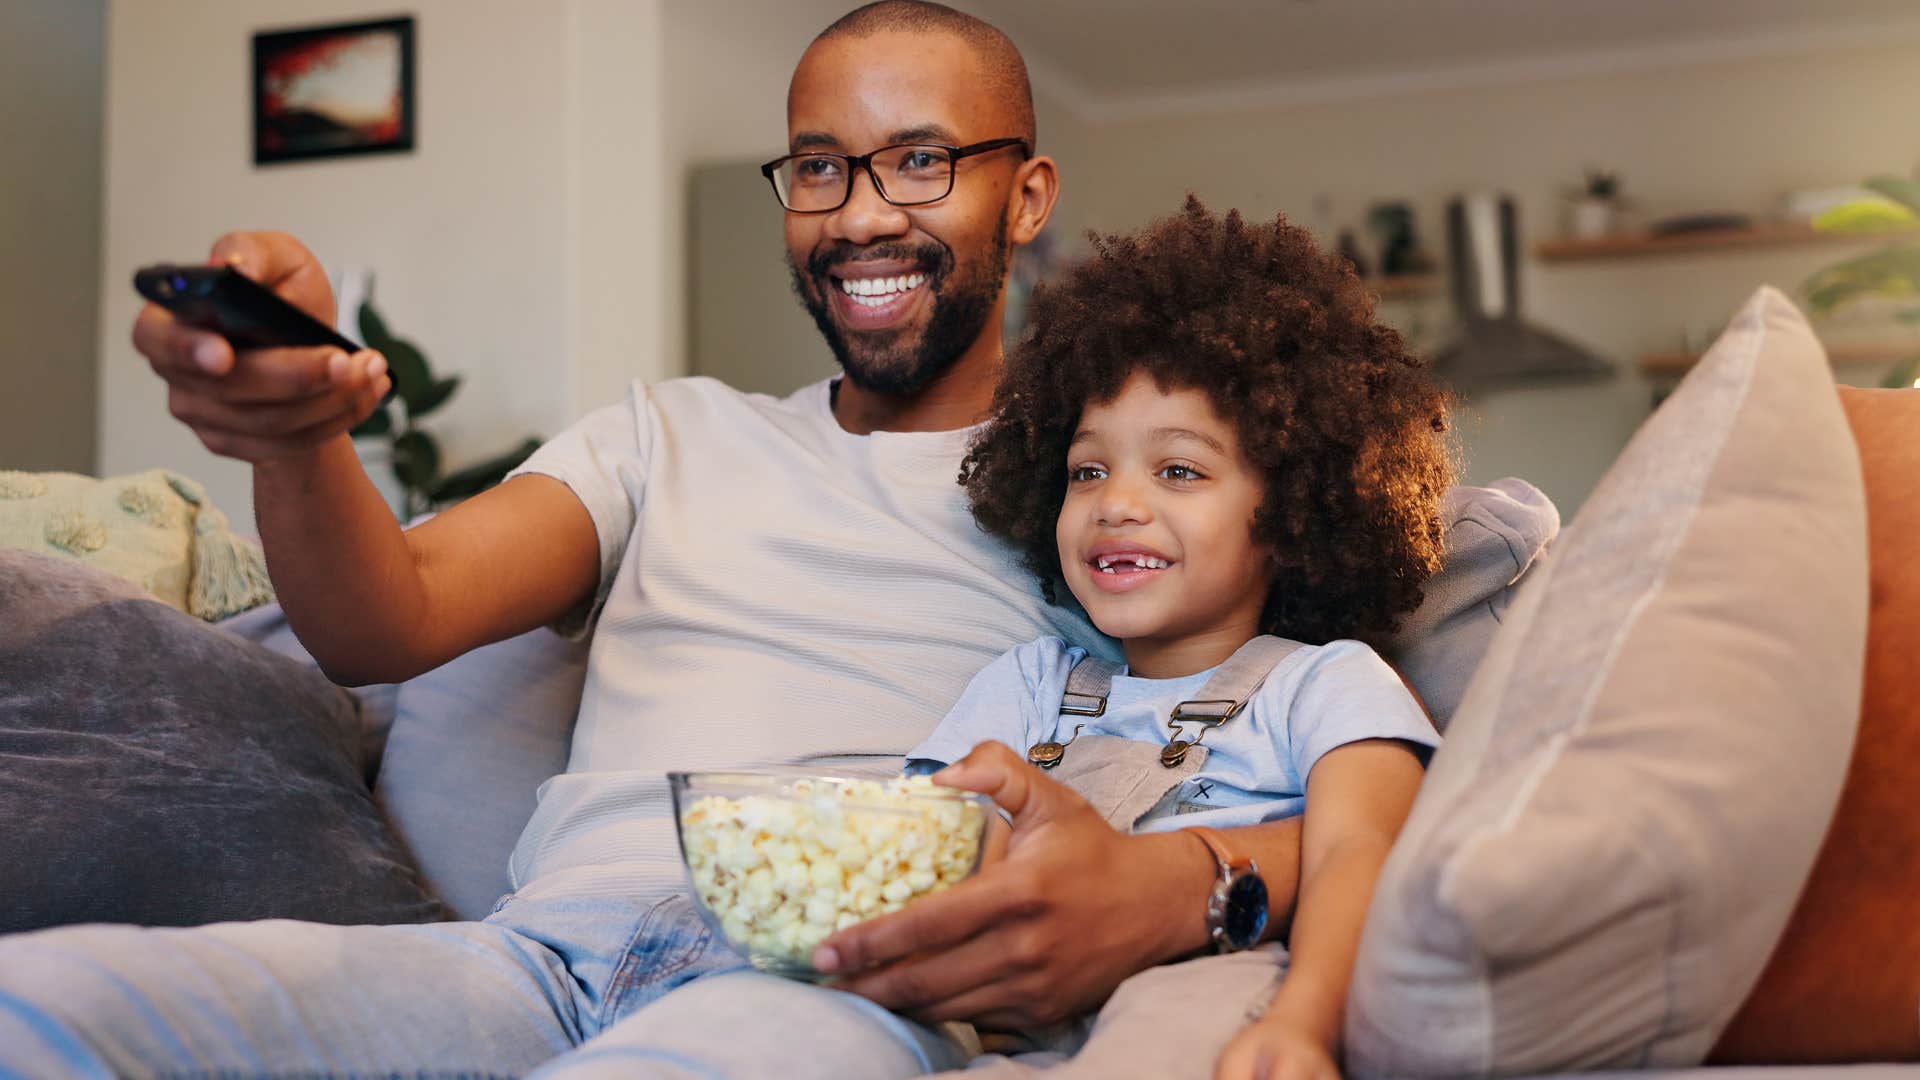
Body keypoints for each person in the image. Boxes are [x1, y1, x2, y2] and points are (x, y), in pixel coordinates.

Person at [0, 4, 1320, 1078]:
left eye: (920, 160)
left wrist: (1175, 885)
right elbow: (379, 622)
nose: (860, 215)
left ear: (1026, 197)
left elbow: (1342, 755)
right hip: (528, 964)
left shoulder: (1110, 499)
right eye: (819, 166)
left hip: (831, 990)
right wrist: (296, 440)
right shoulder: (663, 437)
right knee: (46, 1001)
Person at [903, 199, 1450, 1079]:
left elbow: (1364, 854)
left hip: (1205, 983)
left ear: (1290, 511)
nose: (1116, 502)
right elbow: (920, 842)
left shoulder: (1327, 685)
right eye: (1088, 470)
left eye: (1179, 469)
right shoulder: (1031, 682)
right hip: (1005, 1006)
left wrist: (1308, 1024)